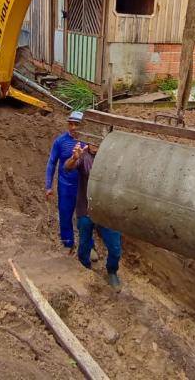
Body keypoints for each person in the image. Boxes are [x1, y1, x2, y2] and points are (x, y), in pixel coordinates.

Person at [65, 140, 123, 292]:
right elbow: (68, 168)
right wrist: (73, 158)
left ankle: (112, 271)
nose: (96, 144)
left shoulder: (113, 157)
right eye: (93, 140)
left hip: (107, 212)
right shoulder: (83, 156)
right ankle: (85, 267)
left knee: (115, 247)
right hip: (86, 209)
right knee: (84, 243)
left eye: (100, 140)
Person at [46, 111, 85, 251]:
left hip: (83, 186)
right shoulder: (60, 141)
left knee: (85, 217)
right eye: (71, 124)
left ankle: (88, 245)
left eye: (77, 124)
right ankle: (67, 242)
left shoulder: (88, 142)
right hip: (65, 185)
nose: (73, 127)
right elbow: (51, 163)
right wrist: (48, 185)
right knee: (65, 214)